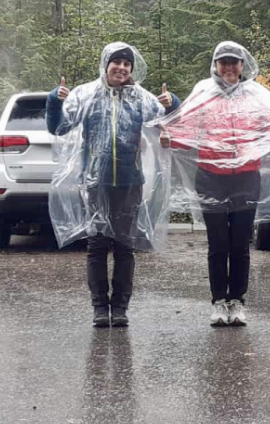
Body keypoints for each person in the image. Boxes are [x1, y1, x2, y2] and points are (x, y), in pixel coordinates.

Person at [158, 41, 270, 327]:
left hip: (245, 177)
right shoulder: (203, 93)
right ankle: (219, 301)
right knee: (218, 244)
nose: (229, 67)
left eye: (234, 62)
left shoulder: (255, 96)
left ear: (243, 66)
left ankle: (238, 301)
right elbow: (188, 129)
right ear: (215, 65)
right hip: (210, 177)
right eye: (224, 62)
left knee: (241, 244)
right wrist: (170, 138)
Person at [46, 42, 179, 328]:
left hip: (130, 183)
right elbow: (59, 127)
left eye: (126, 64)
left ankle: (120, 308)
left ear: (132, 69)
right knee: (97, 246)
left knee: (124, 247)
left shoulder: (141, 99)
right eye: (116, 62)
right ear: (105, 65)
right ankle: (99, 308)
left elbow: (171, 120)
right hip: (96, 184)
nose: (121, 68)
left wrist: (173, 102)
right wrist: (53, 101)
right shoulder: (87, 95)